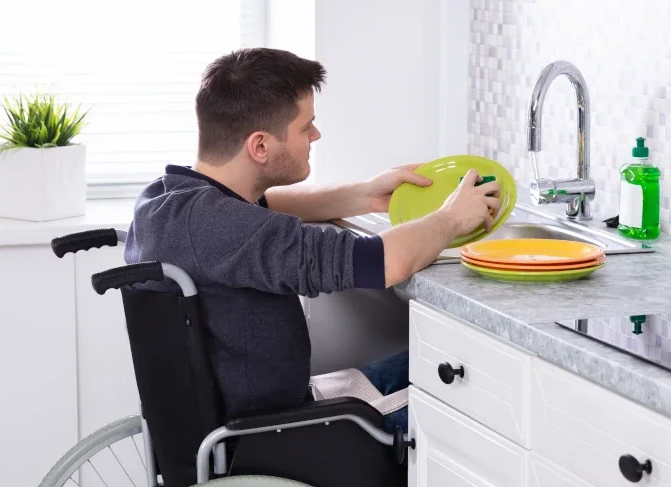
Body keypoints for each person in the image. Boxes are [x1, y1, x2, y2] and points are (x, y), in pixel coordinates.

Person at [125, 47, 498, 435]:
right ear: (260, 146)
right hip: (280, 439)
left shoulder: (167, 201)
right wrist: (452, 217)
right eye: (306, 127)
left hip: (241, 424)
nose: (316, 135)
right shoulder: (230, 229)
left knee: (430, 359)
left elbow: (268, 205)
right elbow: (383, 261)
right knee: (478, 388)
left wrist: (363, 194)